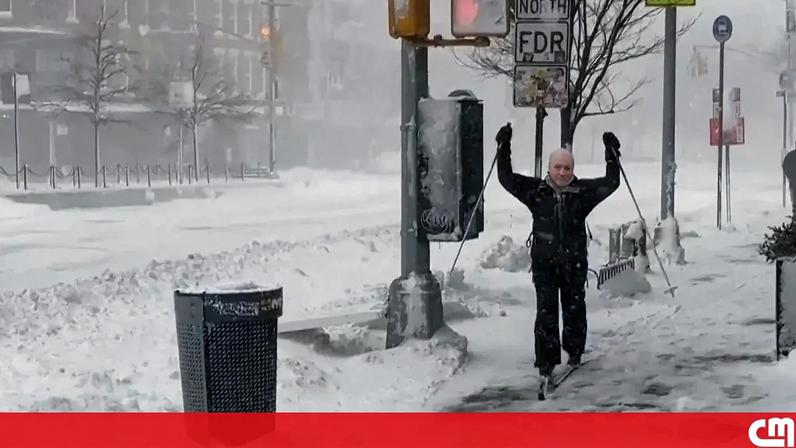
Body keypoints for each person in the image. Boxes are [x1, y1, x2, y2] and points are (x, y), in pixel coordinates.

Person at [495, 123, 622, 379]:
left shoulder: (582, 193)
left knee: (574, 307)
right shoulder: (536, 192)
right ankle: (546, 361)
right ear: (549, 169)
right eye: (558, 167)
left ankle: (574, 351)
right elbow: (506, 178)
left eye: (567, 168)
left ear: (572, 170)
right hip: (544, 262)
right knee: (546, 311)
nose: (562, 173)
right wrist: (503, 147)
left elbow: (611, 182)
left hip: (574, 261)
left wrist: (611, 153)